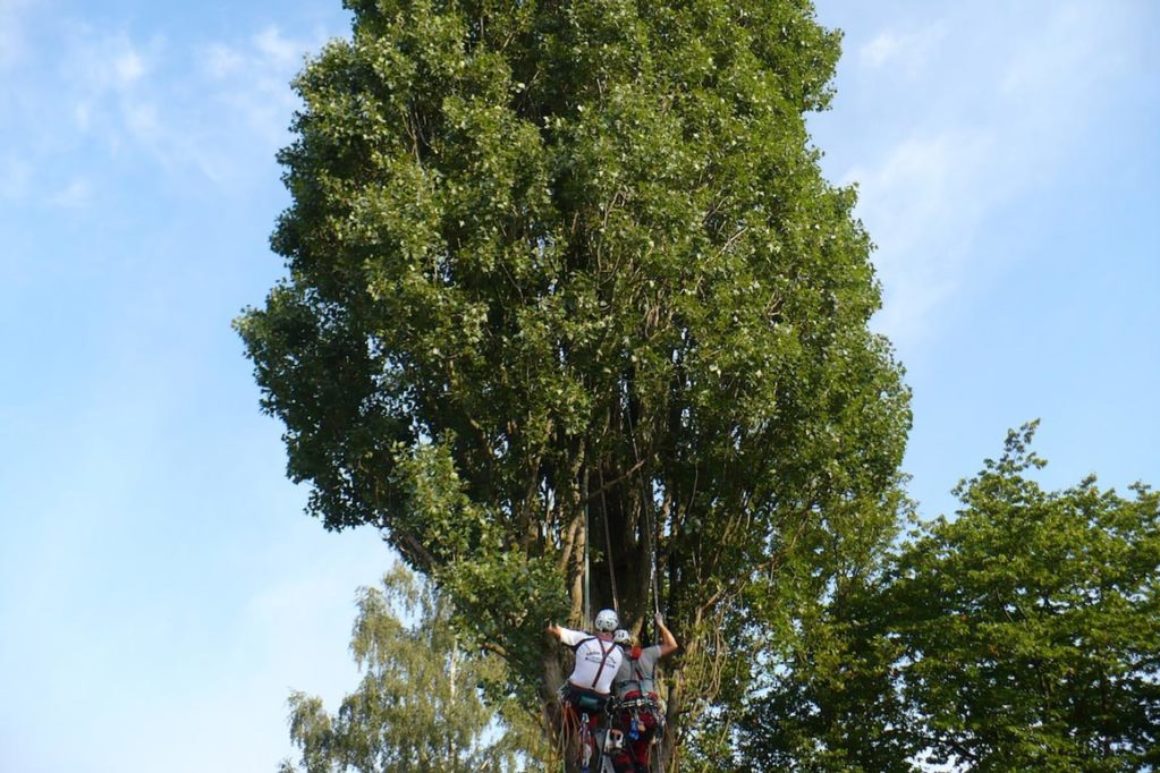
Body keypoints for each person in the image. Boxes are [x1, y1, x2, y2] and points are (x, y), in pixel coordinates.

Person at [548, 608, 625, 768]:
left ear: (597, 625)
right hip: (599, 701)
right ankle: (590, 742)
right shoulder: (619, 652)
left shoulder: (583, 639)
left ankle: (565, 740)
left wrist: (547, 622)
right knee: (594, 723)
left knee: (565, 721)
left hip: (575, 695)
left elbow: (555, 630)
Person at [610, 613, 679, 773]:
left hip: (628, 714)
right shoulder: (647, 654)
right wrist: (660, 624)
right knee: (641, 754)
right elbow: (672, 644)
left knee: (619, 753)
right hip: (650, 715)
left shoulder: (614, 660)